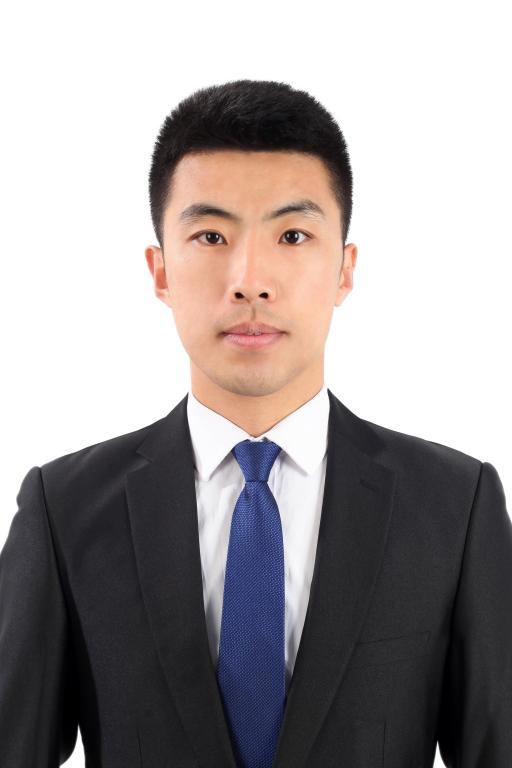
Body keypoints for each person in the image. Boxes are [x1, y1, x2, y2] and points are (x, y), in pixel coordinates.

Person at [0, 79, 510, 768]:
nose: (250, 279)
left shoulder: (453, 505)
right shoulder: (65, 509)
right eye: (211, 235)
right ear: (160, 271)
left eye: (293, 235)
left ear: (344, 270)